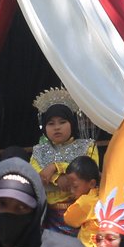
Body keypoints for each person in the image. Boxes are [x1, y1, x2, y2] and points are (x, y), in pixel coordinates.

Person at [30, 88, 99, 225]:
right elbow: (35, 177)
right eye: (51, 123)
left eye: (62, 122)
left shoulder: (88, 146)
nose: (57, 127)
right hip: (49, 216)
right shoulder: (38, 151)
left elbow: (90, 171)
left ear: (72, 123)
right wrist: (57, 179)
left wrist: (56, 167)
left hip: (83, 212)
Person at [61, 155, 103, 247]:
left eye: (75, 187)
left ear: (92, 183)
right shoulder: (101, 194)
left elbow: (69, 219)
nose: (71, 191)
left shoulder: (85, 201)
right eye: (69, 187)